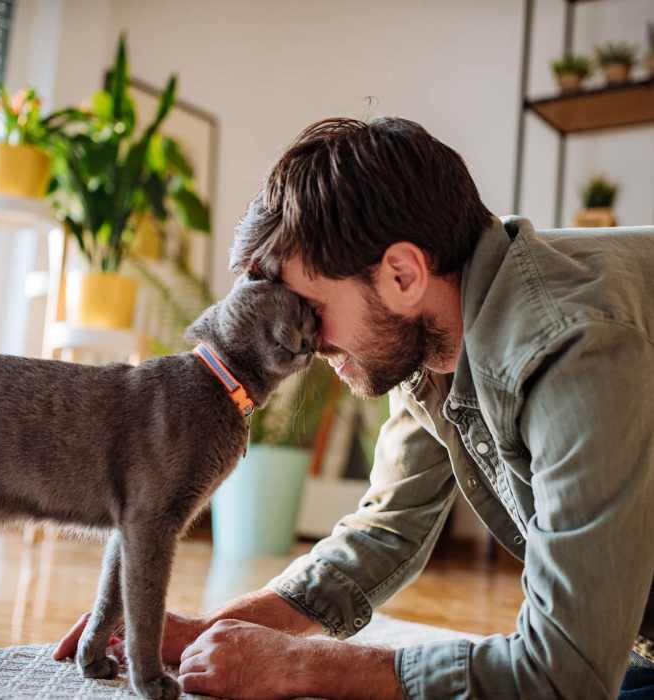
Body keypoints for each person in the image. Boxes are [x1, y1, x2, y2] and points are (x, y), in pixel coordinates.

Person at [54, 117, 654, 699]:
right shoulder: (435, 339)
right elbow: (388, 529)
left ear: (401, 273)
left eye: (312, 309)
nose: (308, 342)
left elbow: (563, 676)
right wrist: (215, 631)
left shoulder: (574, 346)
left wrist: (304, 666)